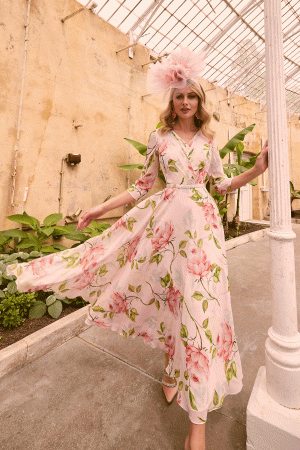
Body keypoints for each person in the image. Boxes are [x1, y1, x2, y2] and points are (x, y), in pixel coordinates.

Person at [7, 46, 268, 450]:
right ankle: (170, 358)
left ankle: (196, 427)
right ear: (171, 101)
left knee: (201, 311)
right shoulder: (159, 138)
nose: (184, 101)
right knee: (169, 298)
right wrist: (97, 209)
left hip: (203, 240)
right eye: (178, 95)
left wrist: (255, 170)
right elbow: (143, 186)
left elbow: (220, 186)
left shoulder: (209, 142)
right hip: (164, 232)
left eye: (191, 95)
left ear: (200, 101)